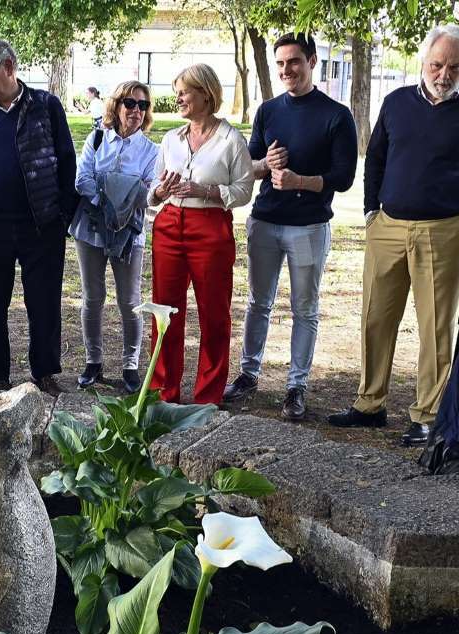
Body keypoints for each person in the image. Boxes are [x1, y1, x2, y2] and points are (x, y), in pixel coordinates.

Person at [328, 24, 459, 447]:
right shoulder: (395, 103)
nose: (444, 74)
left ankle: (427, 415)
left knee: (435, 327)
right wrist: (372, 212)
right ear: (423, 62)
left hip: (445, 231)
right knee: (375, 317)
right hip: (387, 226)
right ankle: (369, 404)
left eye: (454, 67)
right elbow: (376, 160)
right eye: (437, 64)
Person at [223, 33, 358, 421]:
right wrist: (267, 163)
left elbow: (344, 177)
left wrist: (300, 181)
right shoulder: (267, 111)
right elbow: (246, 168)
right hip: (265, 221)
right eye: (280, 64)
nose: (286, 70)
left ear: (312, 61)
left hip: (309, 225)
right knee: (258, 302)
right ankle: (249, 374)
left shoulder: (336, 115)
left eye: (294, 62)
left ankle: (296, 385)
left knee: (305, 309)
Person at [0, 39, 77, 395]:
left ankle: (45, 372)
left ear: (8, 67)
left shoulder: (45, 106)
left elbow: (66, 159)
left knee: (43, 302)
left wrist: (62, 215)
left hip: (41, 225)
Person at [146, 63, 254, 405]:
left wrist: (206, 191)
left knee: (214, 314)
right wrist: (160, 191)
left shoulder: (231, 139)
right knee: (164, 312)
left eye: (184, 91)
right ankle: (163, 393)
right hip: (169, 225)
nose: (178, 97)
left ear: (206, 94)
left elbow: (244, 189)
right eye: (177, 90)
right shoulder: (170, 138)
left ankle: (208, 397)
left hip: (210, 227)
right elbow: (153, 186)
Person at [71, 80, 159, 394]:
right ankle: (93, 362)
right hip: (92, 229)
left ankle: (130, 367)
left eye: (143, 105)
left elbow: (149, 191)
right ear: (117, 105)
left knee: (130, 301)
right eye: (130, 103)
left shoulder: (151, 151)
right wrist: (106, 205)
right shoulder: (96, 140)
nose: (136, 110)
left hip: (129, 234)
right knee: (92, 297)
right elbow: (83, 179)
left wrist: (120, 207)